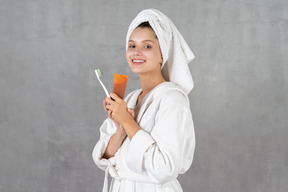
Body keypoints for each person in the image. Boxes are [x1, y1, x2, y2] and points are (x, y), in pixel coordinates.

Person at [93, 9, 196, 192]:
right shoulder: (130, 98)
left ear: (163, 54)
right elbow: (104, 158)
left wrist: (126, 120)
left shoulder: (173, 100)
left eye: (147, 46)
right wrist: (121, 130)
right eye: (132, 46)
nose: (137, 52)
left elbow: (164, 167)